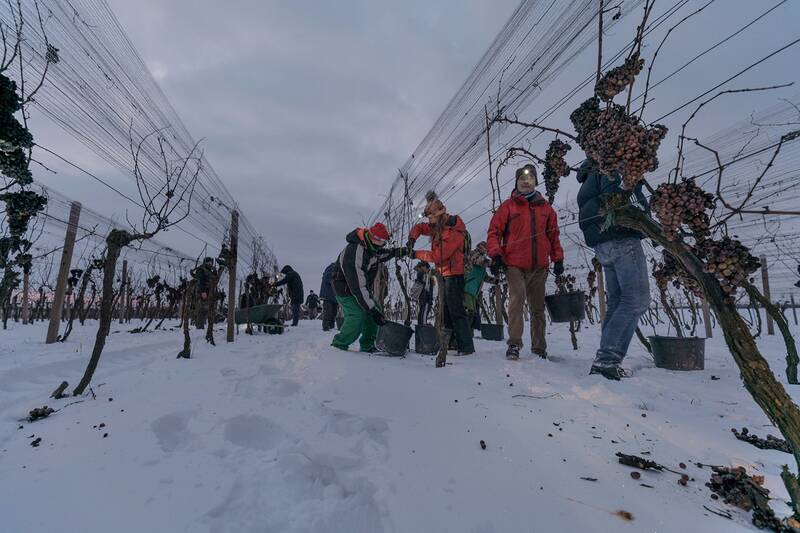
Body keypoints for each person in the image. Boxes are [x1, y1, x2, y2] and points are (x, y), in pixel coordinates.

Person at [576, 159, 650, 380]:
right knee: (636, 300)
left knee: (618, 301)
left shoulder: (589, 179)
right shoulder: (611, 165)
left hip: (603, 243)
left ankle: (606, 359)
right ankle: (607, 360)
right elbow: (617, 200)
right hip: (622, 237)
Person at [487, 164, 564, 360]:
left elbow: (553, 236)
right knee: (516, 301)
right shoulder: (508, 206)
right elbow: (494, 232)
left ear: (535, 183)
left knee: (537, 307)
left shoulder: (546, 208)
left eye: (529, 179)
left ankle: (539, 348)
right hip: (514, 264)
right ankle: (514, 344)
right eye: (521, 178)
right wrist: (495, 255)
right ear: (516, 183)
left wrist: (558, 259)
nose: (525, 181)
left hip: (540, 266)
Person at [408, 192, 474, 355]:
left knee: (456, 309)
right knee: (445, 309)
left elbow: (438, 256)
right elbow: (419, 227)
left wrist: (415, 254)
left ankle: (466, 346)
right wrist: (411, 239)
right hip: (444, 274)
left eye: (431, 217)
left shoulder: (452, 232)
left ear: (439, 215)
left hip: (454, 274)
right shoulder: (436, 227)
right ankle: (450, 342)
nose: (428, 221)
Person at [331, 222, 407, 352]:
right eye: (383, 241)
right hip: (345, 289)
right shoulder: (355, 252)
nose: (384, 244)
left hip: (360, 288)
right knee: (357, 315)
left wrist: (397, 252)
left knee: (375, 312)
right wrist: (372, 310)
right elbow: (358, 286)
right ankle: (339, 345)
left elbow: (380, 255)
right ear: (375, 239)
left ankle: (367, 345)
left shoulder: (370, 248)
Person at [464, 241, 492, 331]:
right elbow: (480, 261)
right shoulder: (474, 254)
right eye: (485, 248)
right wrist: (493, 262)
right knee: (470, 311)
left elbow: (485, 277)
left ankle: (468, 331)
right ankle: (465, 331)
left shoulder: (482, 262)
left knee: (473, 312)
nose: (486, 250)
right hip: (467, 287)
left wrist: (499, 281)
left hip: (474, 291)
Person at [409, 261, 434, 325]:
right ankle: (422, 331)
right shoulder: (423, 275)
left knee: (422, 317)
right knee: (422, 317)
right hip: (424, 299)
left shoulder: (428, 276)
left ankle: (423, 330)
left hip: (425, 299)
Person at [320, 262, 338, 331]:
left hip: (333, 295)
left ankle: (331, 326)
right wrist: (336, 281)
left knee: (334, 311)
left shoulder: (335, 268)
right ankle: (326, 326)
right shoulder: (332, 267)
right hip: (327, 295)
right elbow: (327, 277)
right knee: (328, 311)